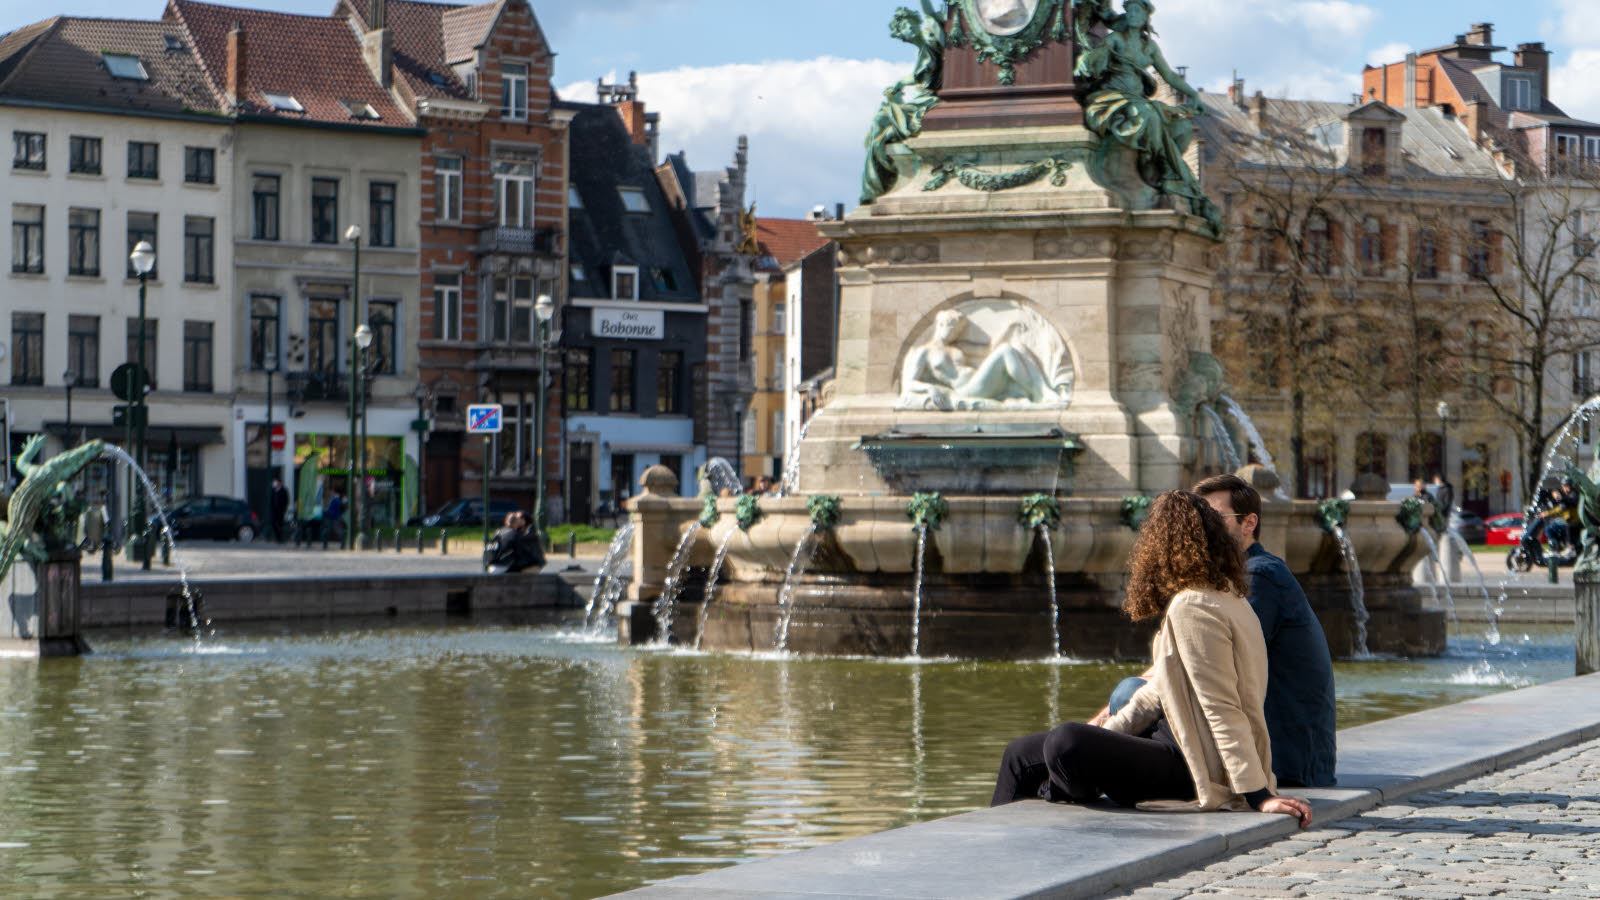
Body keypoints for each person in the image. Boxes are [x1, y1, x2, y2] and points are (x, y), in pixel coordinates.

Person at [992, 490, 1312, 826]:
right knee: (1020, 753)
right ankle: (1002, 839)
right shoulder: (1224, 596)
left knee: (1065, 742)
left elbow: (1222, 705)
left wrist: (1258, 795)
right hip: (1171, 744)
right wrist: (1109, 733)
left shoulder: (1195, 606)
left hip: (1190, 763)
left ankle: (1056, 790)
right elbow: (1155, 692)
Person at [1092, 475, 1338, 787]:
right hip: (1275, 752)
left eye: (1213, 517)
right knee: (1130, 699)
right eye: (1198, 518)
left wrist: (1102, 724)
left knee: (1128, 695)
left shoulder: (1258, 578)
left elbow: (1203, 672)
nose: (1201, 527)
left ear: (1249, 523)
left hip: (1281, 761)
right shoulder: (1237, 577)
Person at [269, 478, 290, 544]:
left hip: (281, 510)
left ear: (279, 483)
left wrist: (284, 509)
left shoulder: (284, 490)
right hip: (274, 510)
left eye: (276, 482)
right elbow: (271, 500)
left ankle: (281, 538)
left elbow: (286, 500)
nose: (275, 483)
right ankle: (277, 537)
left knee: (280, 524)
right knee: (273, 523)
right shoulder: (273, 490)